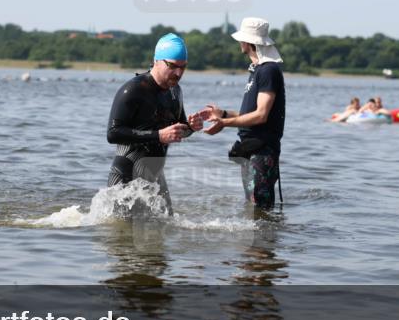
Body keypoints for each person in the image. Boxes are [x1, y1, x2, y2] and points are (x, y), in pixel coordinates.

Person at [106, 33, 203, 214]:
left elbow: (177, 129)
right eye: (173, 66)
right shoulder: (133, 90)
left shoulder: (175, 91)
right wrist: (158, 135)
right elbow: (113, 133)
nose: (178, 73)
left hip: (155, 178)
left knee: (165, 230)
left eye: (183, 67)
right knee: (121, 238)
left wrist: (191, 127)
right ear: (156, 61)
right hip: (126, 177)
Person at [199, 17, 286, 209]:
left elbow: (261, 115)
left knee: (260, 206)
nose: (239, 43)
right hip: (251, 149)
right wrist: (223, 114)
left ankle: (266, 239)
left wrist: (224, 124)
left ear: (247, 42)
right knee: (253, 208)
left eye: (241, 39)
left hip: (263, 151)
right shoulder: (257, 71)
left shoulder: (268, 70)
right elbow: (248, 113)